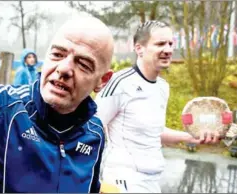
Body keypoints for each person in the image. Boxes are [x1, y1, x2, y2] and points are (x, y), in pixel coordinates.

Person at [0, 16, 114, 193]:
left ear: (102, 81)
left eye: (83, 64)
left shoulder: (95, 133)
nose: (63, 69)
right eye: (57, 55)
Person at [95, 20, 221, 193]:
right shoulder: (120, 83)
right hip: (123, 180)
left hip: (152, 181)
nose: (168, 50)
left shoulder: (162, 87)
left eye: (170, 43)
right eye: (161, 44)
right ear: (139, 48)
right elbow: (90, 127)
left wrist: (192, 137)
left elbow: (155, 132)